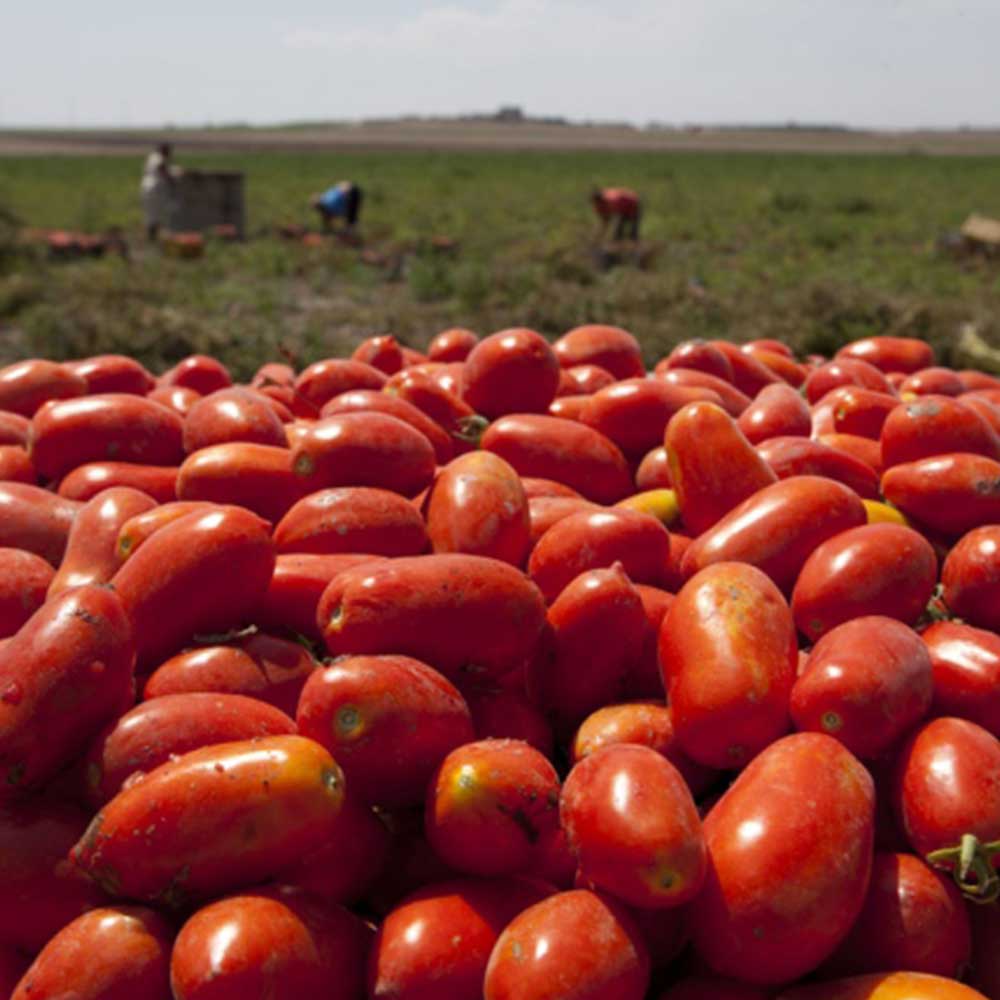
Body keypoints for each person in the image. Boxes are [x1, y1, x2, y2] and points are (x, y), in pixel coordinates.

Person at [139, 143, 178, 243]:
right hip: (154, 189)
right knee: (155, 215)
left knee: (152, 214)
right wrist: (173, 181)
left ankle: (152, 238)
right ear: (165, 150)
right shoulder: (159, 159)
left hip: (147, 187)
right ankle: (153, 239)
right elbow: (163, 170)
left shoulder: (152, 157)